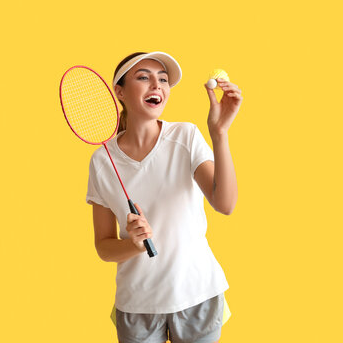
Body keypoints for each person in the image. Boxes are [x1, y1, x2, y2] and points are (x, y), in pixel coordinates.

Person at [86, 51, 242, 343]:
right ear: (118, 91)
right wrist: (133, 246)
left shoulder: (186, 136)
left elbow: (225, 204)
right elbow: (104, 247)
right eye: (143, 77)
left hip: (198, 295)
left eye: (163, 80)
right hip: (137, 306)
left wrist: (219, 133)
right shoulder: (102, 160)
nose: (156, 86)